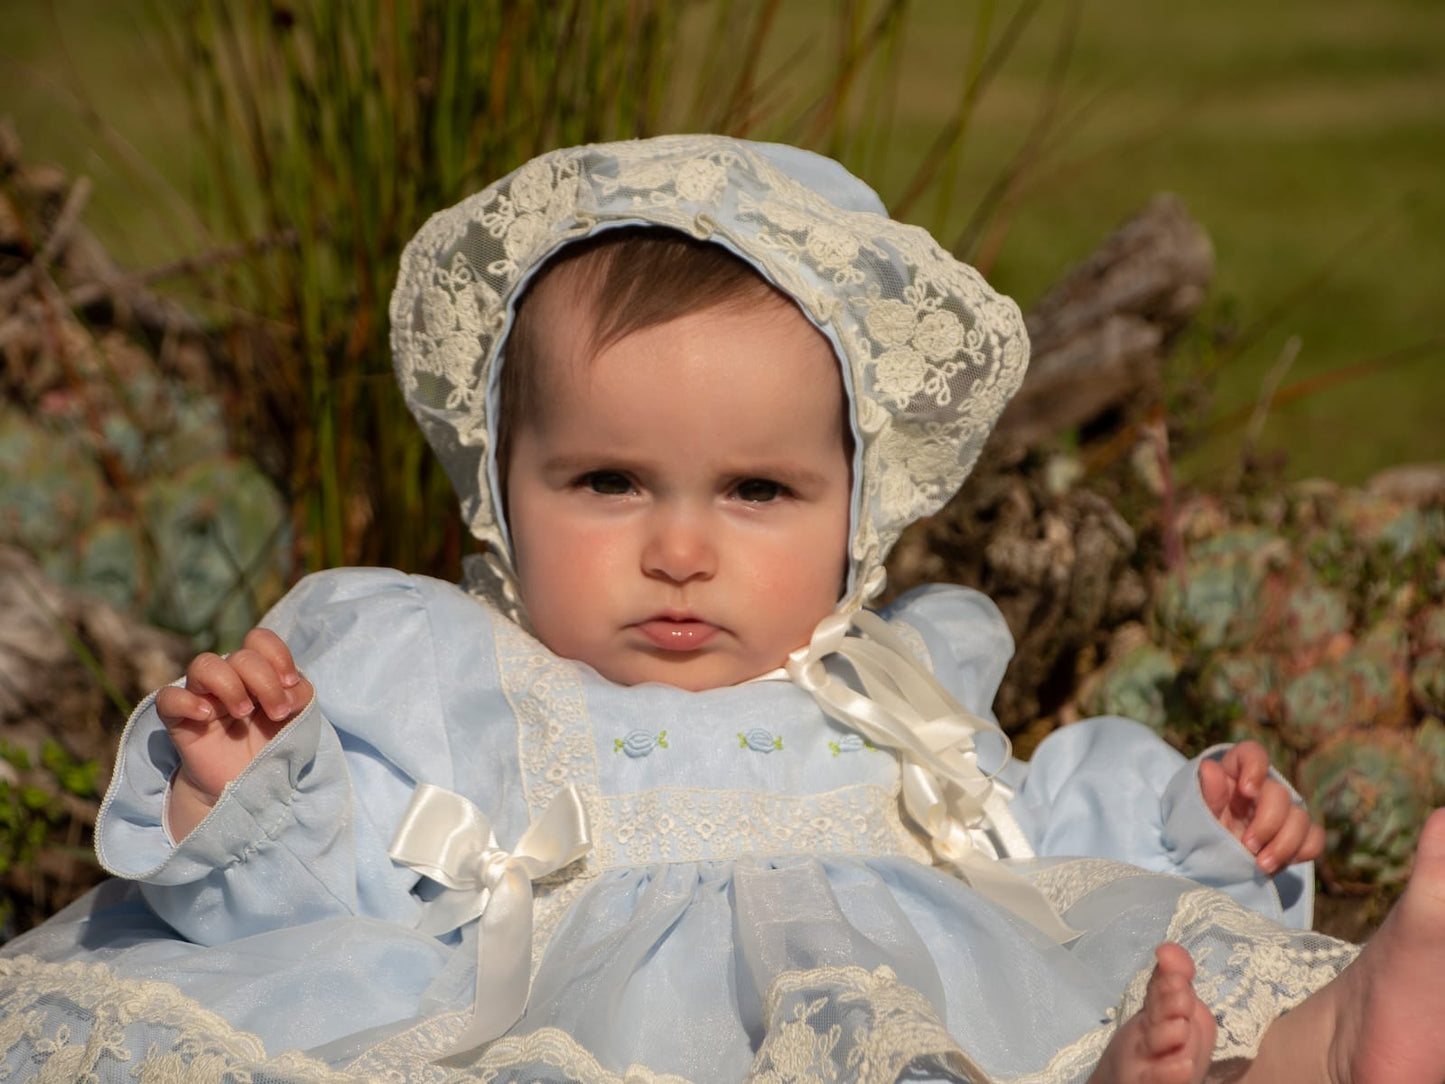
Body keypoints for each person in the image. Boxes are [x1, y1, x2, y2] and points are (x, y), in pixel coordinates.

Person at [1, 135, 1438, 1084]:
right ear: (502, 493)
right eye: (610, 481)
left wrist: (1197, 825)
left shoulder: (889, 685)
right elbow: (348, 880)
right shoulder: (454, 677)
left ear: (854, 513)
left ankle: (1321, 1040)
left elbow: (1021, 836)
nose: (678, 550)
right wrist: (246, 791)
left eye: (755, 493)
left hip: (929, 1005)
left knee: (1109, 994)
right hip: (574, 1025)